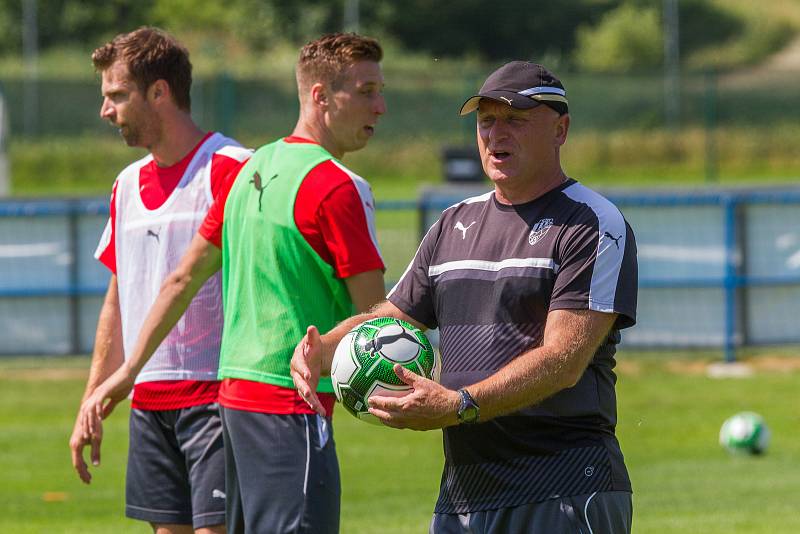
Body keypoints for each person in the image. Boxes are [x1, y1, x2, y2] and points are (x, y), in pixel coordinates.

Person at [292, 61, 638, 534]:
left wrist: (459, 404)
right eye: (486, 121)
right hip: (464, 495)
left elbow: (564, 359)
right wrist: (324, 350)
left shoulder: (592, 224)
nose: (497, 134)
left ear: (560, 130)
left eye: (515, 119)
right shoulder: (453, 224)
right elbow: (394, 318)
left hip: (565, 486)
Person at [79, 32, 387, 534]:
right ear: (321, 96)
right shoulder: (339, 185)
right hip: (291, 400)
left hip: (233, 400)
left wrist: (126, 370)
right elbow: (377, 322)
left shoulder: (250, 169)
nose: (382, 106)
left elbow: (183, 276)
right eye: (368, 90)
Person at [68, 27, 251, 533]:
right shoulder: (125, 185)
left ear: (159, 92)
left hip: (219, 397)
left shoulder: (231, 169)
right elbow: (117, 299)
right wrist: (93, 395)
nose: (106, 110)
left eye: (116, 95)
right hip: (149, 402)